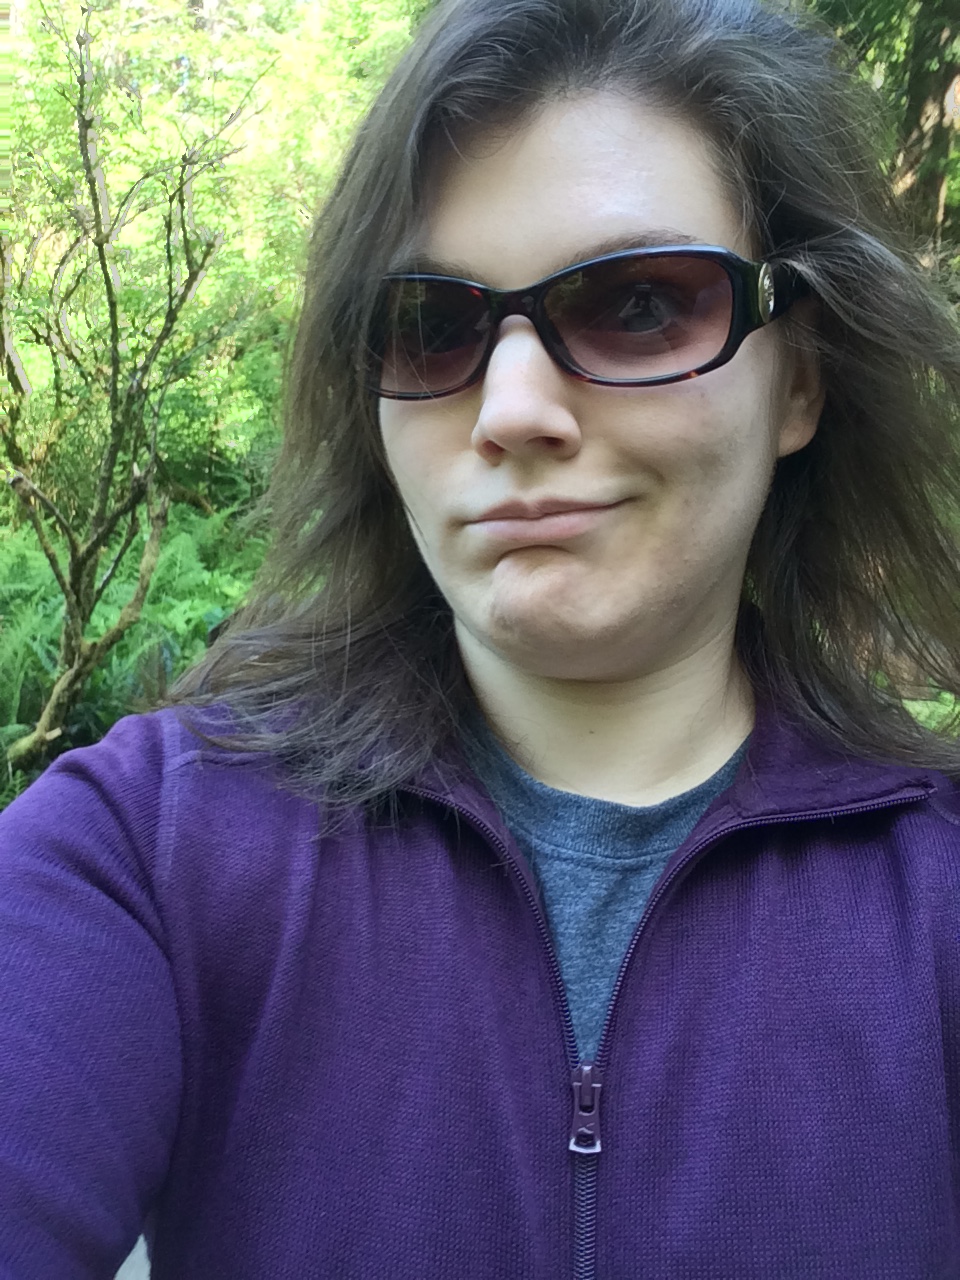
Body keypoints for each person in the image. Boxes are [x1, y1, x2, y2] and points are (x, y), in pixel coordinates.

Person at [3, 0, 960, 1275]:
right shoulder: (144, 850)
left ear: (801, 379)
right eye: (433, 325)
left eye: (639, 304)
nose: (509, 409)